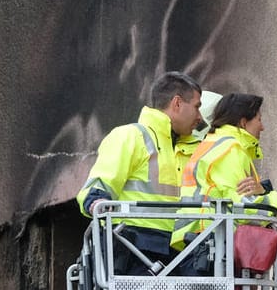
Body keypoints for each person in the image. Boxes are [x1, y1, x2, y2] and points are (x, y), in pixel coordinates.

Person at [76, 72, 208, 275]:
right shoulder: (130, 137)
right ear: (177, 104)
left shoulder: (195, 148)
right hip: (135, 250)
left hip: (182, 253)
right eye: (197, 107)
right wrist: (96, 201)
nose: (200, 117)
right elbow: (98, 186)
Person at [175, 93, 277, 250]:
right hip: (209, 243)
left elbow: (230, 197)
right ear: (243, 123)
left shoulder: (215, 144)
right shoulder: (230, 150)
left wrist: (263, 190)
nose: (262, 127)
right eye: (259, 120)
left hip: (198, 240)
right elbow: (245, 210)